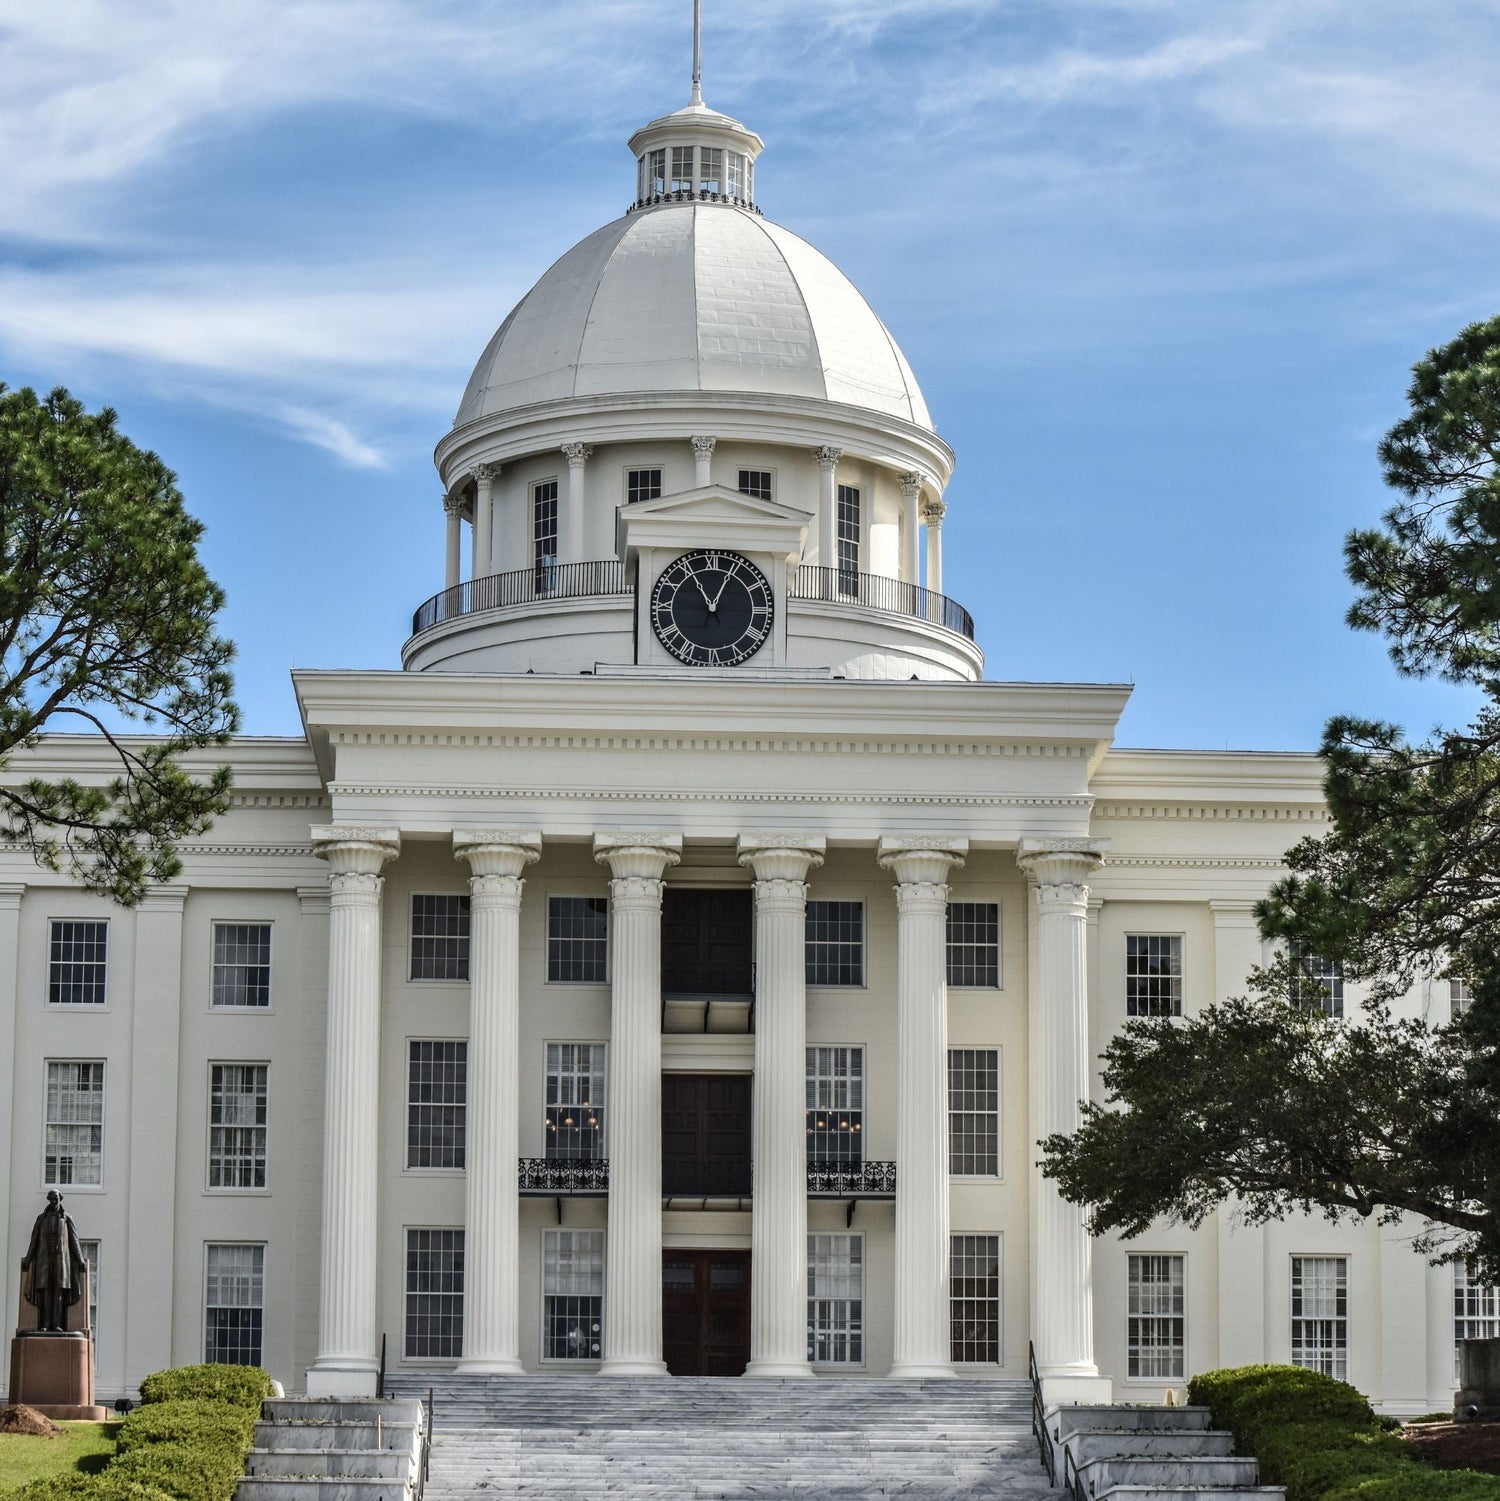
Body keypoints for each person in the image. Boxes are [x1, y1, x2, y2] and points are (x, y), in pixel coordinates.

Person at [21, 1191, 87, 1332]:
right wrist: (28, 1258)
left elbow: (74, 1240)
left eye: (56, 1199)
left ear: (60, 1199)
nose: (53, 1202)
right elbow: (34, 1240)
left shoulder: (67, 1218)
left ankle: (57, 1323)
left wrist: (80, 1259)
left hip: (61, 1260)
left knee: (58, 1293)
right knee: (46, 1292)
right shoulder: (41, 1218)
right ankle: (45, 1323)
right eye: (51, 1199)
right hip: (44, 1260)